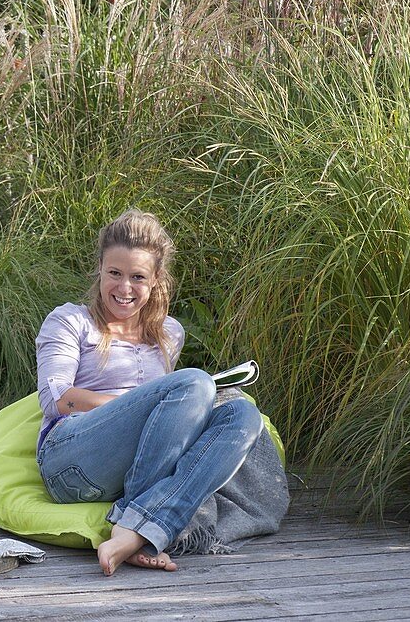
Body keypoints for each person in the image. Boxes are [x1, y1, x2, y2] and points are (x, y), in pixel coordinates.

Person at [35, 209, 263, 575]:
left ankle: (137, 531)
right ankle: (139, 520)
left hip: (132, 464)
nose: (124, 289)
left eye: (138, 277)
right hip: (72, 461)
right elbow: (58, 399)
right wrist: (143, 406)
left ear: (156, 280)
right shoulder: (70, 321)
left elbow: (167, 432)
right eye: (115, 274)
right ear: (100, 269)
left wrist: (182, 407)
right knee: (194, 382)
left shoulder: (169, 333)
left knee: (242, 414)